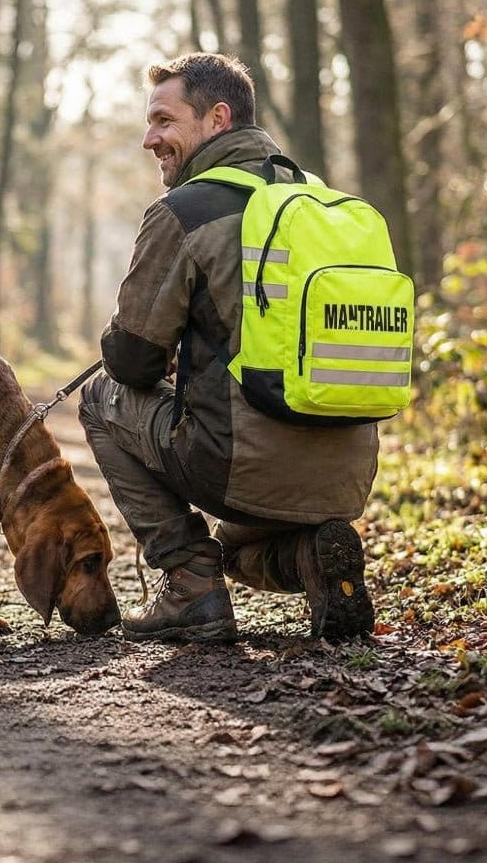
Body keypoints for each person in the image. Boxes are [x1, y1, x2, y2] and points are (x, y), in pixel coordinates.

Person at [78, 52, 379, 645]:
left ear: (217, 118)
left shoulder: (186, 210)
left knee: (99, 399)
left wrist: (152, 350)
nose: (149, 138)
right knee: (237, 554)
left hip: (242, 465)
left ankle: (189, 584)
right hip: (346, 474)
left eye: (164, 121)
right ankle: (311, 557)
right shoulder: (321, 203)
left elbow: (133, 362)